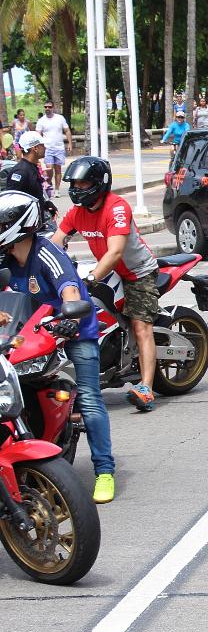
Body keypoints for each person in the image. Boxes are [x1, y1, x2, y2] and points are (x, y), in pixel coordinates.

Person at [0, 192, 117, 503]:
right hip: (33, 335)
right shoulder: (7, 258)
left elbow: (67, 287)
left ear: (19, 225)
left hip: (75, 327)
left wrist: (70, 316)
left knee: (90, 399)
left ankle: (104, 471)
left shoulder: (46, 252)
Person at [54, 156, 163, 410]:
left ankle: (146, 388)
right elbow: (54, 244)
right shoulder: (77, 213)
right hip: (108, 271)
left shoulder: (116, 208)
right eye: (74, 184)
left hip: (137, 273)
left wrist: (92, 277)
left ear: (98, 184)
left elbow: (114, 253)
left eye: (82, 184)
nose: (76, 189)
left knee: (141, 326)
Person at [4, 131, 53, 212]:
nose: (45, 147)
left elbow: (32, 194)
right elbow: (11, 203)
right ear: (35, 148)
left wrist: (45, 204)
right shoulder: (20, 171)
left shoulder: (32, 167)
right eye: (42, 145)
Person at [36, 100, 72, 191]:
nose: (47, 108)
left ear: (53, 108)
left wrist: (70, 143)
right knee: (49, 169)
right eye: (46, 107)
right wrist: (38, 147)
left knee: (58, 169)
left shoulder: (60, 118)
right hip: (47, 148)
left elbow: (67, 130)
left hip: (59, 148)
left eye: (49, 107)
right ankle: (49, 183)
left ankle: (57, 190)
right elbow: (37, 134)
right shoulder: (41, 121)